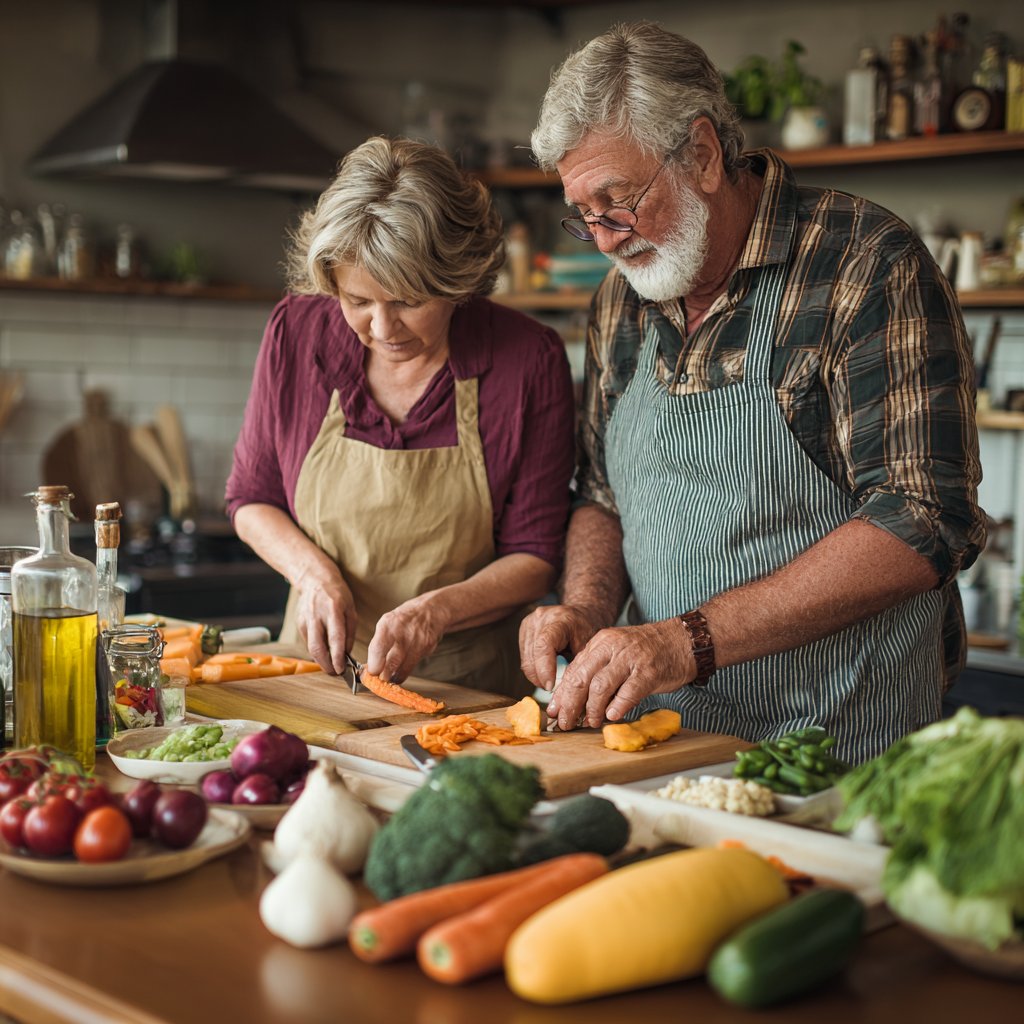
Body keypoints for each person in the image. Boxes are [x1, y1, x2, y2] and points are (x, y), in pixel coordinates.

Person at [519, 23, 985, 760]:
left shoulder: (865, 264)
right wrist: (582, 608)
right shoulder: (621, 300)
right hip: (658, 744)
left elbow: (923, 518)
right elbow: (602, 494)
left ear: (702, 154)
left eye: (618, 201)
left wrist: (689, 641)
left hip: (843, 749)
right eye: (585, 215)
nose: (604, 238)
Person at [227, 137, 575, 697]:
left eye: (410, 301)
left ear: (458, 282)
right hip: (313, 672)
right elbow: (251, 498)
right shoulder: (297, 331)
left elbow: (534, 556)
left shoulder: (529, 359)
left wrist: (434, 613)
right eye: (358, 302)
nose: (384, 330)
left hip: (466, 688)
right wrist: (313, 576)